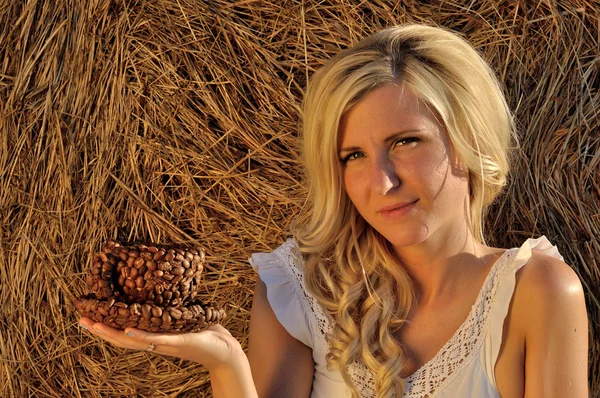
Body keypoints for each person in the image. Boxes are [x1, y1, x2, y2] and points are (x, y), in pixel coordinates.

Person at [79, 24, 589, 397]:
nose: (382, 181)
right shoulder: (300, 288)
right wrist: (227, 363)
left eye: (406, 141)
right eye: (354, 156)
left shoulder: (535, 292)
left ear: (470, 140)